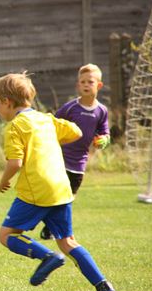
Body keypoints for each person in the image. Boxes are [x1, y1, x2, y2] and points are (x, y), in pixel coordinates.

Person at [0, 72, 115, 291]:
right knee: (67, 241)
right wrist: (50, 140)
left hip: (36, 191)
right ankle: (103, 285)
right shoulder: (45, 119)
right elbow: (76, 131)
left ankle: (47, 257)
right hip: (61, 188)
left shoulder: (15, 127)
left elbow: (15, 163)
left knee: (6, 235)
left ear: (7, 102)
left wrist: (4, 180)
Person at [40, 63, 110, 240]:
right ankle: (56, 229)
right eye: (82, 82)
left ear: (99, 85)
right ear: (78, 85)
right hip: (60, 159)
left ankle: (50, 226)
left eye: (90, 82)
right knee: (55, 194)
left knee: (69, 197)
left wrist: (103, 140)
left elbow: (104, 132)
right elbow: (53, 123)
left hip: (79, 163)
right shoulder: (70, 108)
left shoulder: (102, 111)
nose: (86, 85)